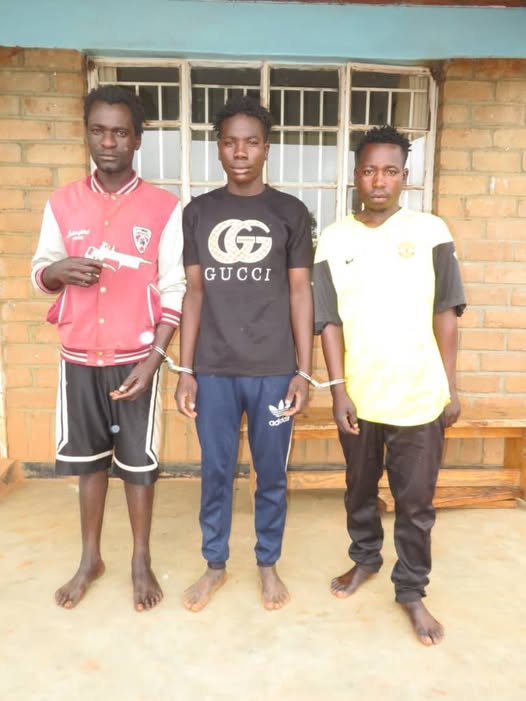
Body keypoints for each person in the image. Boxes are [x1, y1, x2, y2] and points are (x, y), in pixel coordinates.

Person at [31, 85, 186, 611]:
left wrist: (155, 359)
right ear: (87, 134)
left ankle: (140, 560)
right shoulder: (62, 203)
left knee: (138, 467)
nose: (109, 142)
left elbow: (175, 288)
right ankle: (90, 559)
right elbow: (40, 271)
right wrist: (58, 271)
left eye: (121, 132)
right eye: (98, 130)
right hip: (79, 358)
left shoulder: (164, 208)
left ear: (137, 139)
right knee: (89, 463)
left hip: (136, 360)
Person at [313, 126, 465, 645]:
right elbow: (328, 320)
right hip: (360, 395)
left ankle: (411, 590)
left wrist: (450, 385)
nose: (379, 180)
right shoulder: (334, 239)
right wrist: (338, 389)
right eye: (369, 170)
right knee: (359, 491)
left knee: (415, 502)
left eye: (391, 171)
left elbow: (446, 311)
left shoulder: (430, 231)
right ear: (356, 176)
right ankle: (365, 559)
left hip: (419, 394)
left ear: (405, 176)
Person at [176, 96, 313, 612]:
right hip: (213, 370)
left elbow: (300, 293)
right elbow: (194, 293)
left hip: (273, 370)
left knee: (271, 474)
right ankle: (215, 565)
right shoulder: (198, 213)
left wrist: (305, 372)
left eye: (251, 142)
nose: (240, 152)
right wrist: (185, 369)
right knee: (215, 471)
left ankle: (267, 563)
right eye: (230, 142)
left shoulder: (289, 212)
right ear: (218, 148)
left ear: (266, 148)